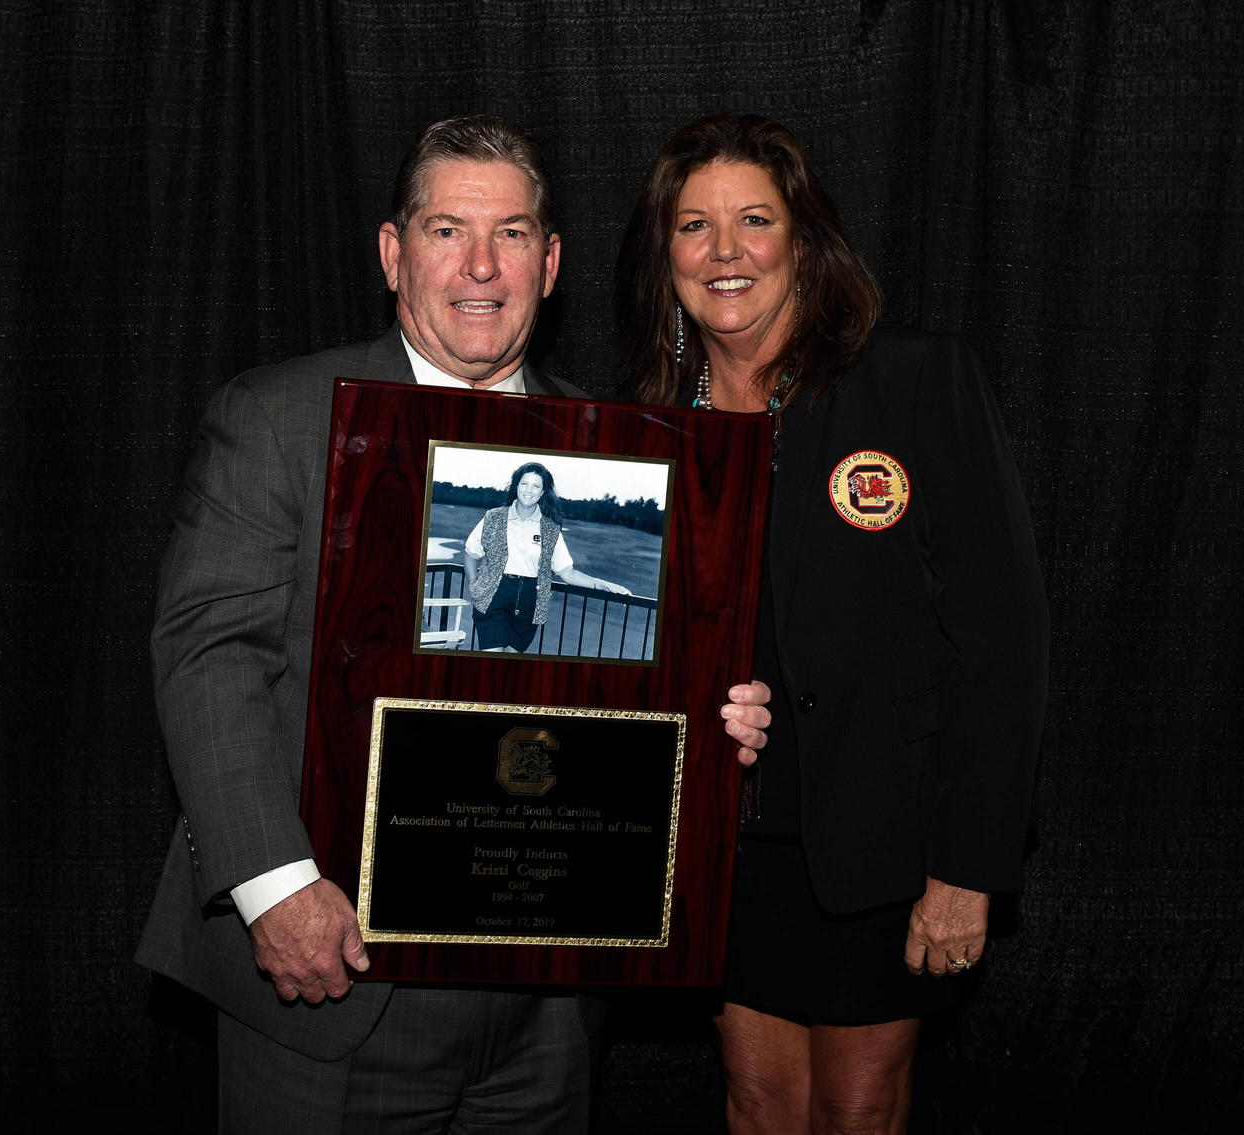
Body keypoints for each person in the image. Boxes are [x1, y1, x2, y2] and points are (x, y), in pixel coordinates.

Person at [139, 114, 605, 1134]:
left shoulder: (610, 445)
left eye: (513, 233)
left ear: (552, 260)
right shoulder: (277, 416)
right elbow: (207, 655)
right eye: (446, 230)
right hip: (328, 979)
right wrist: (274, 889)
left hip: (544, 1004)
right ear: (394, 253)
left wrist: (712, 715)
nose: (480, 266)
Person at [616, 115, 1050, 1135]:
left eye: (752, 220)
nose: (724, 250)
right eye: (693, 226)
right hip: (726, 846)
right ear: (663, 256)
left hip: (883, 844)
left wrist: (968, 867)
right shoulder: (641, 430)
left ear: (801, 240)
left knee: (858, 1109)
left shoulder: (909, 383)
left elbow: (1003, 644)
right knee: (759, 1102)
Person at [463, 461, 631, 652]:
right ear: (516, 486)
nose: (529, 490)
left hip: (528, 603)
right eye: (524, 484)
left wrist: (601, 584)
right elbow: (470, 554)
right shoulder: (493, 517)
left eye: (536, 486)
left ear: (542, 492)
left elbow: (566, 572)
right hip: (492, 597)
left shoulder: (550, 529)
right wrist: (475, 588)